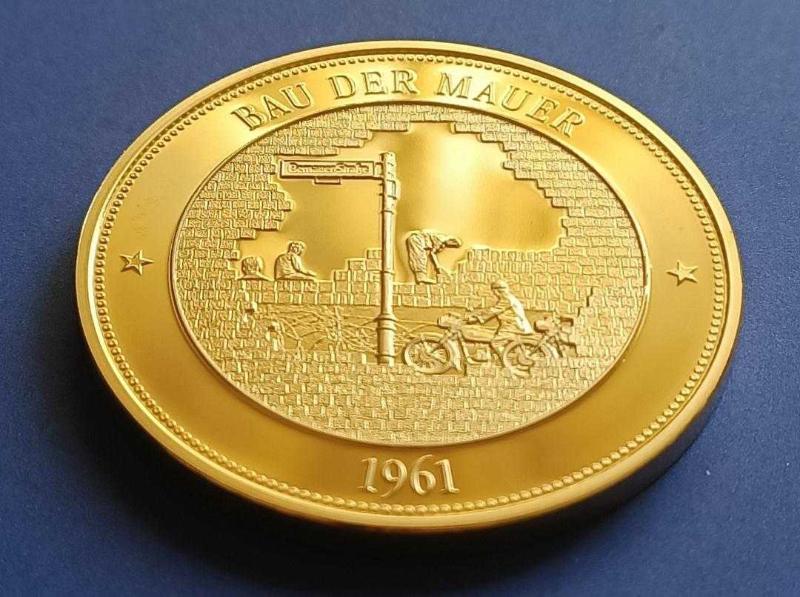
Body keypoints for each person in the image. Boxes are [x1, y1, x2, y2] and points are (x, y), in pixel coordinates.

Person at [462, 279, 533, 344]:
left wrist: (477, 318)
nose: (493, 294)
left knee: (495, 343)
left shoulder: (507, 299)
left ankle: (502, 354)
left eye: (493, 291)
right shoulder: (508, 298)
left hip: (513, 327)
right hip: (509, 325)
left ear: (496, 291)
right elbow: (491, 309)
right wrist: (476, 314)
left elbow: (494, 311)